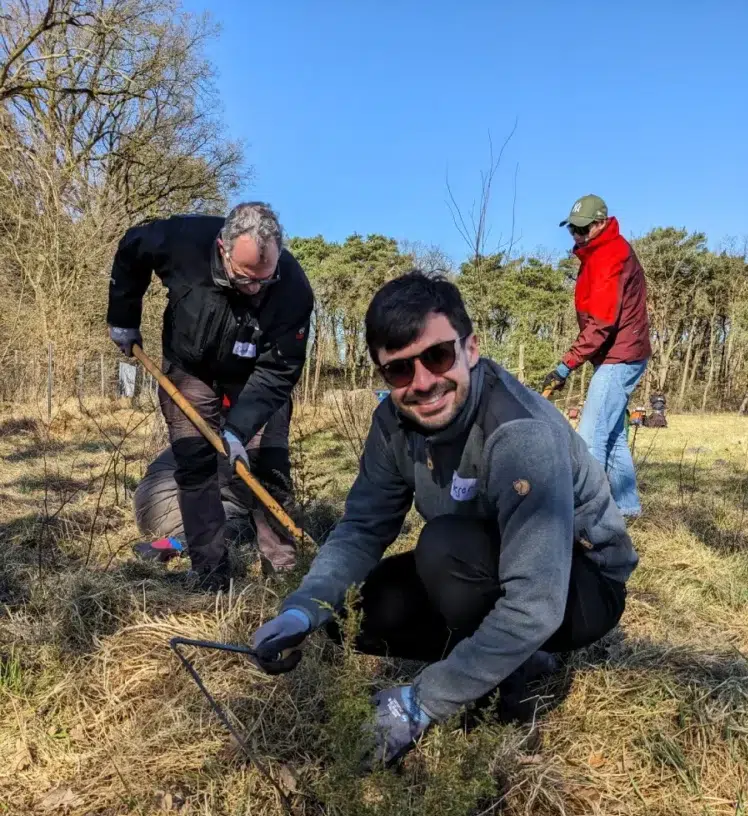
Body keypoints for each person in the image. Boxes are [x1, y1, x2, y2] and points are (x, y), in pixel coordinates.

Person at [251, 271, 638, 767]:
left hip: (579, 585)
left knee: (444, 546)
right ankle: (503, 656)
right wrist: (302, 608)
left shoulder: (521, 435)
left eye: (437, 356)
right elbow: (363, 529)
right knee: (350, 615)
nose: (423, 383)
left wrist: (421, 702)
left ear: (470, 349)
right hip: (486, 562)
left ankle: (502, 697)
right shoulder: (392, 423)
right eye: (398, 371)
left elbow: (536, 603)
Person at [107, 202, 313, 588]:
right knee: (195, 462)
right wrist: (123, 318)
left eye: (263, 281)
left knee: (266, 463)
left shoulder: (293, 291)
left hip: (256, 377)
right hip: (191, 368)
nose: (254, 290)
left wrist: (237, 430)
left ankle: (284, 569)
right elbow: (132, 247)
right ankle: (210, 571)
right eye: (245, 278)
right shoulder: (183, 242)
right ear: (223, 248)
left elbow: (279, 371)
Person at [543, 195, 651, 517]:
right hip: (616, 353)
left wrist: (565, 367)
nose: (576, 236)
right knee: (614, 435)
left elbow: (601, 324)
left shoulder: (609, 256)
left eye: (582, 229)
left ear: (600, 223)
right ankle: (628, 508)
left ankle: (587, 514)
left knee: (590, 436)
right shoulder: (596, 255)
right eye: (572, 230)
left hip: (622, 355)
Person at [133, 402, 295, 573]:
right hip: (169, 500)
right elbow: (251, 493)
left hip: (147, 499)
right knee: (247, 528)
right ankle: (170, 544)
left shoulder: (219, 423)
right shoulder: (245, 435)